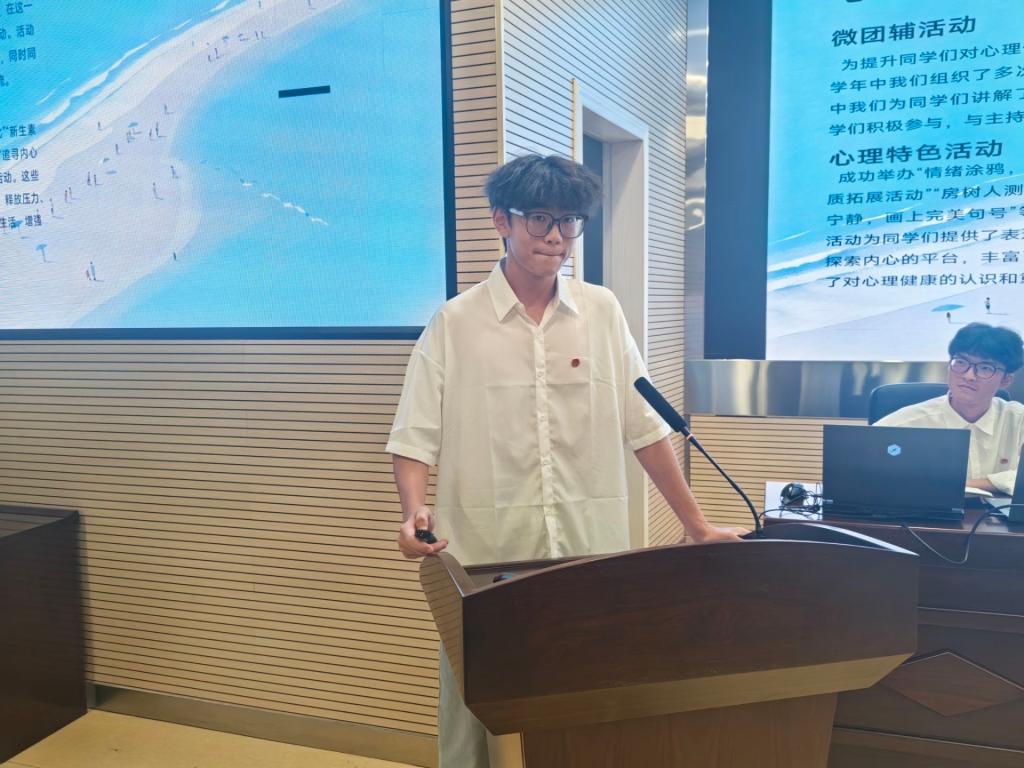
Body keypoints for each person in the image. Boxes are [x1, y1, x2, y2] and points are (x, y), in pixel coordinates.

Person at [386, 154, 745, 767]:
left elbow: (644, 428)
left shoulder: (602, 311)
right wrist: (413, 511)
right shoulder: (455, 323)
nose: (555, 236)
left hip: (589, 549)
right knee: (476, 710)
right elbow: (415, 434)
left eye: (569, 221)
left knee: (592, 700)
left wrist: (697, 524)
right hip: (487, 554)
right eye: (539, 219)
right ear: (502, 220)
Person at [876, 323, 1024, 494]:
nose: (969, 375)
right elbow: (864, 467)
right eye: (961, 362)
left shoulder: (1018, 419)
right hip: (925, 511)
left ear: (1006, 380)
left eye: (985, 368)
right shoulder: (904, 423)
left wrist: (973, 484)